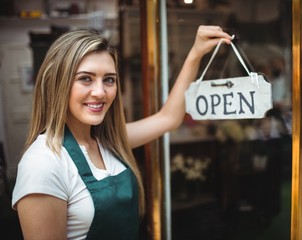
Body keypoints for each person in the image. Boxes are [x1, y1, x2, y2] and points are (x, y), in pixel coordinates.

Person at [11, 25, 232, 239]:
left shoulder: (109, 141)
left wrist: (196, 53)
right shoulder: (43, 162)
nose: (100, 92)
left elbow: (169, 118)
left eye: (109, 80)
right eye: (85, 78)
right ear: (58, 84)